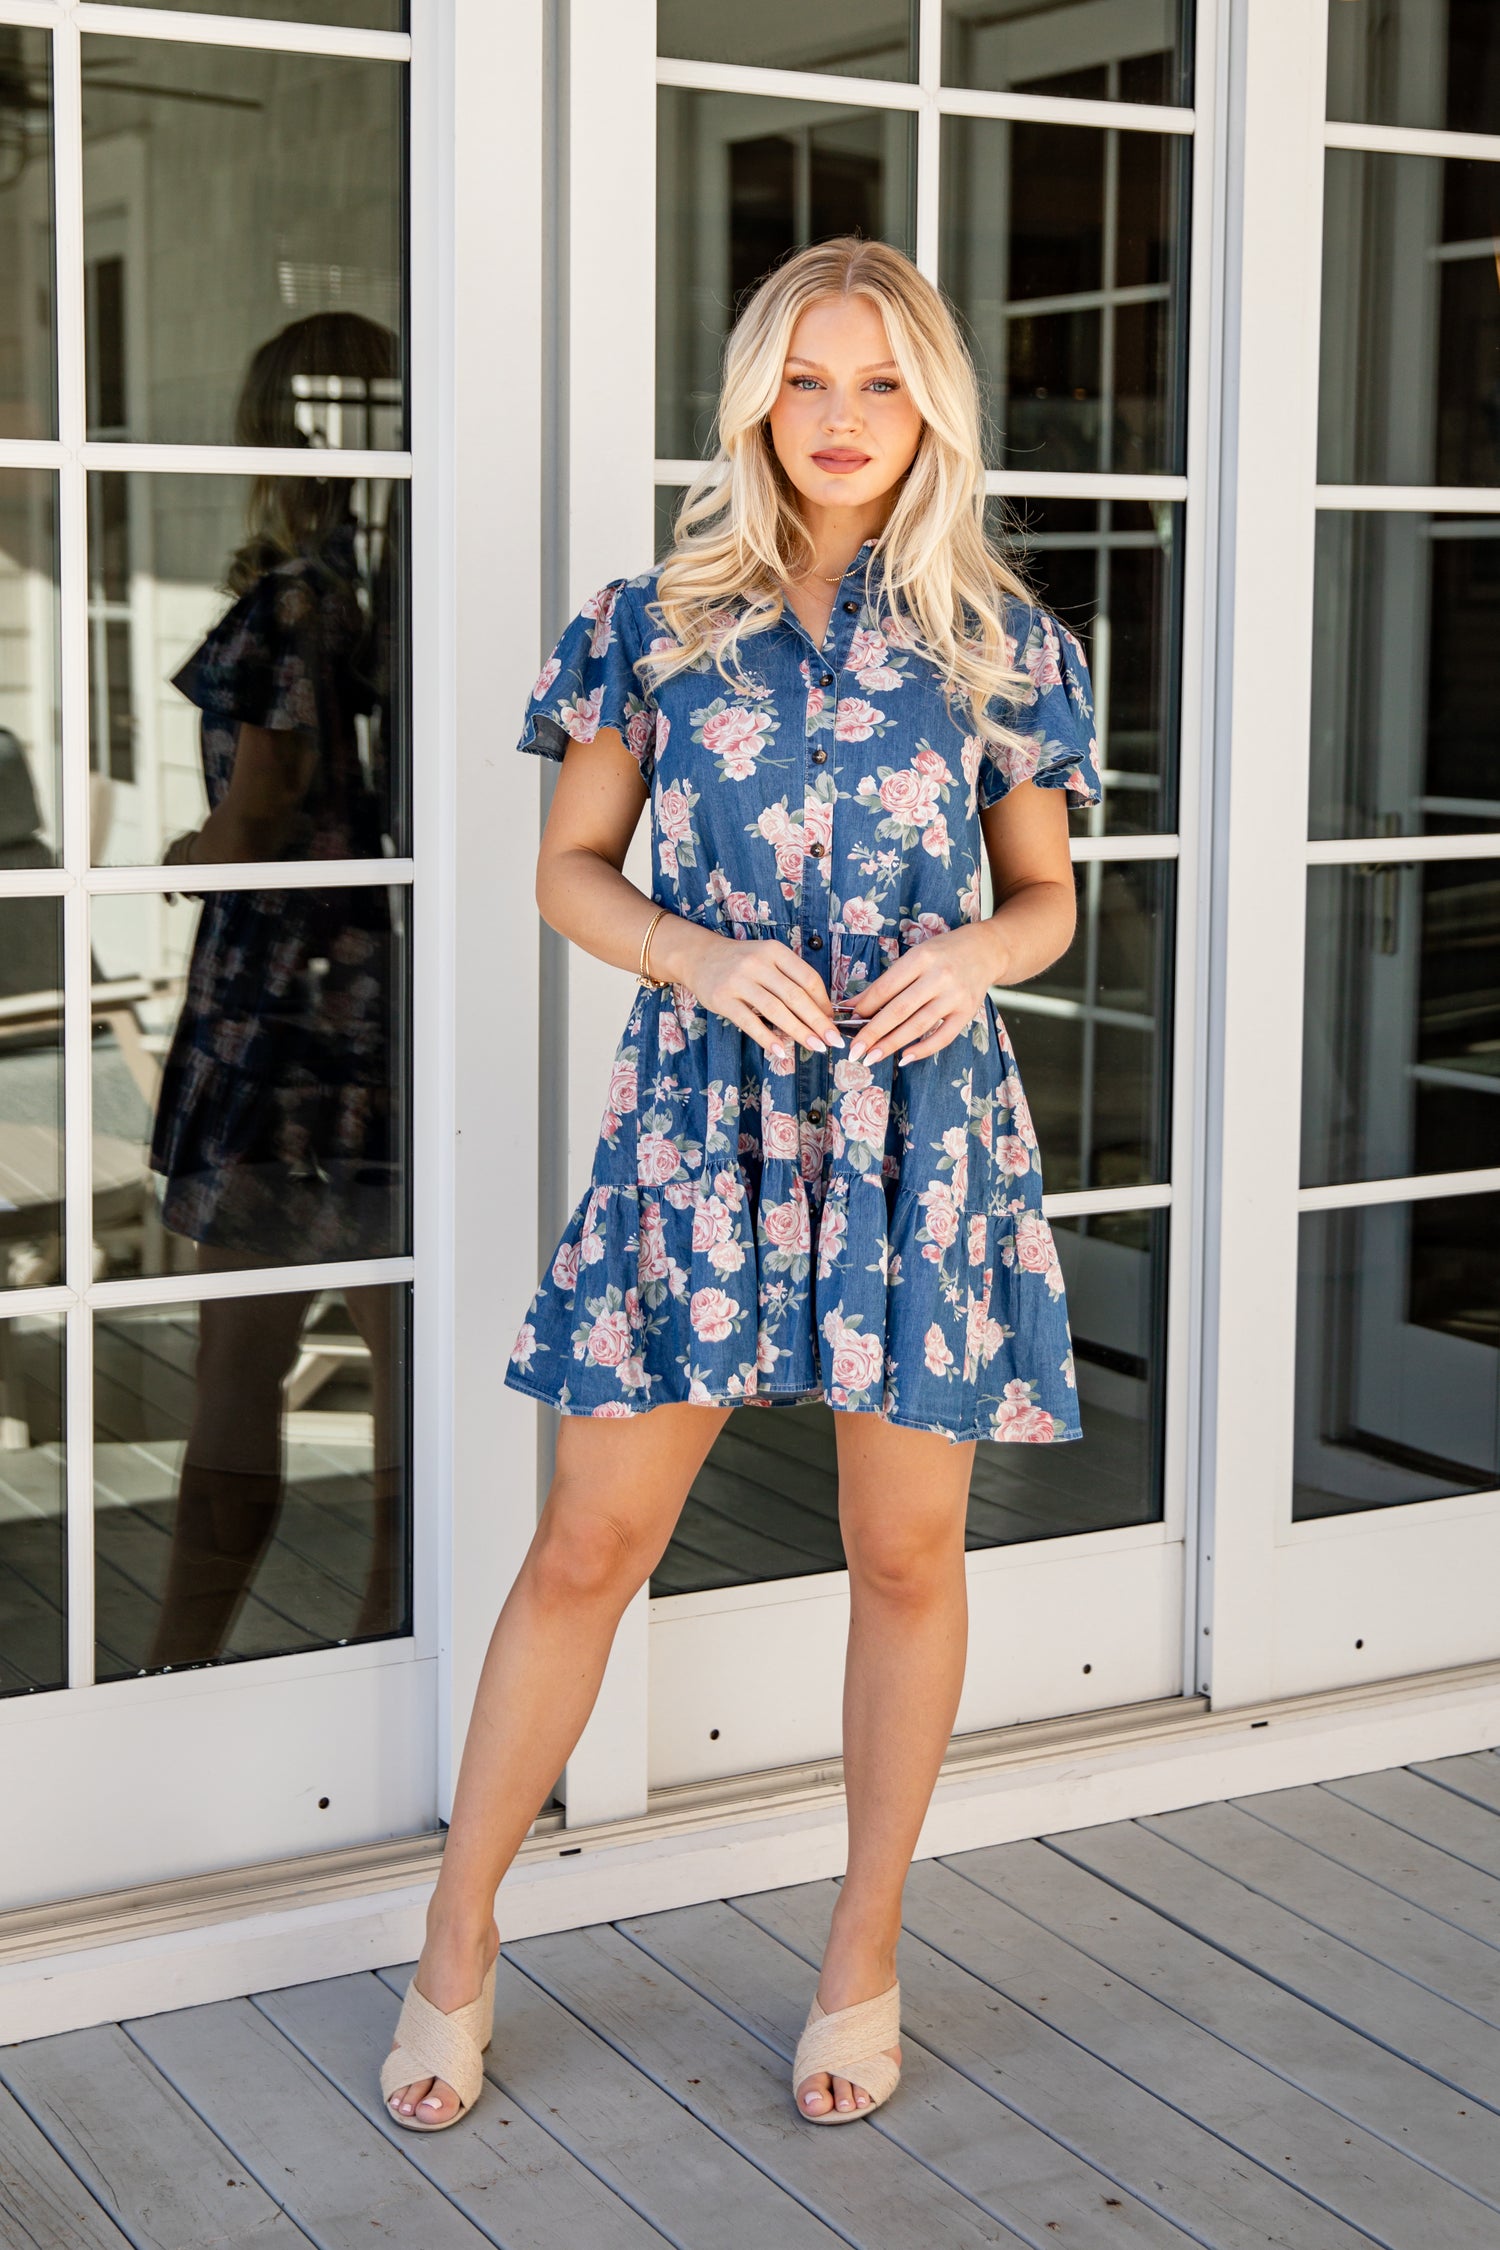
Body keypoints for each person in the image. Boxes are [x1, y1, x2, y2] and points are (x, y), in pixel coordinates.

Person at [381, 236, 1101, 2133]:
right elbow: (569, 870)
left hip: (917, 1134)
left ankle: (862, 1952)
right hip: (702, 1125)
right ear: (755, 401)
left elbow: (1048, 898)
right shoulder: (653, 619)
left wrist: (979, 955)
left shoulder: (1003, 640)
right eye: (808, 381)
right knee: (589, 1545)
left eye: (879, 382)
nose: (844, 419)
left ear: (930, 401)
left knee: (904, 1552)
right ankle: (455, 1940)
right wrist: (692, 958)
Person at [143, 312, 406, 1671]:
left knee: (237, 1360)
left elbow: (261, 812)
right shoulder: (367, 587)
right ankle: (390, 1632)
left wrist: (176, 852)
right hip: (369, 995)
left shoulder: (299, 598)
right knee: (398, 1346)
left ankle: (176, 1667)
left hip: (284, 1002)